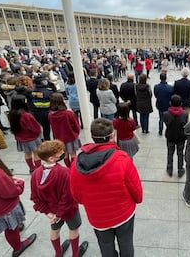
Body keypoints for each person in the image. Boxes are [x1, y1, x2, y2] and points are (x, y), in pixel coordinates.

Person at [70, 118, 143, 257]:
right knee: (126, 242)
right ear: (112, 136)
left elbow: (76, 195)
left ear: (92, 136)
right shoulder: (123, 159)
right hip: (123, 214)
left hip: (98, 217)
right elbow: (136, 190)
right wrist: (137, 200)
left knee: (105, 246)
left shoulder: (76, 164)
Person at [30, 140, 88, 257]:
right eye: (59, 151)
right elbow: (68, 197)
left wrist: (49, 213)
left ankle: (58, 253)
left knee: (55, 230)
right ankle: (75, 254)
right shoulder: (65, 173)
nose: (62, 152)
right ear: (52, 158)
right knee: (73, 229)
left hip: (52, 211)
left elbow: (35, 197)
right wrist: (60, 214)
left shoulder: (36, 174)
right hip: (69, 210)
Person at [8, 94, 42, 173]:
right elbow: (34, 127)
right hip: (32, 137)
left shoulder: (11, 114)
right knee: (36, 153)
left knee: (27, 154)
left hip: (21, 138)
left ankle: (31, 168)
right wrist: (38, 132)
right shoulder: (26, 115)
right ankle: (39, 169)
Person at [48, 93, 81, 168]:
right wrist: (76, 133)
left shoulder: (50, 114)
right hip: (71, 136)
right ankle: (73, 169)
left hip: (59, 138)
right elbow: (76, 124)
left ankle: (68, 168)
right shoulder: (68, 113)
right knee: (73, 154)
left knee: (65, 155)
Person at [163, 94, 188, 177]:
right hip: (181, 136)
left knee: (170, 153)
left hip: (170, 136)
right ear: (181, 104)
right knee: (180, 153)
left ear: (170, 103)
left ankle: (169, 169)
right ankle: (180, 170)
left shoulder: (166, 114)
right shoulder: (184, 114)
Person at [28, 75, 53, 140]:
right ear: (40, 82)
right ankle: (47, 140)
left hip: (35, 112)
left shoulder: (32, 92)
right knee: (46, 128)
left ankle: (41, 140)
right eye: (44, 80)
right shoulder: (48, 92)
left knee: (38, 127)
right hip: (46, 112)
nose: (46, 81)